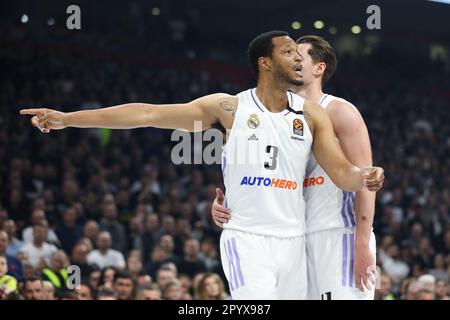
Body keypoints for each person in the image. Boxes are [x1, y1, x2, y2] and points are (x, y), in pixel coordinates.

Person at [20, 31, 384, 299]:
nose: (297, 59)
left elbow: (340, 172)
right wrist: (68, 118)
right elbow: (146, 113)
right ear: (266, 62)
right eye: (289, 51)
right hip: (249, 238)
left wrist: (364, 176)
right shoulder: (228, 108)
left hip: (296, 241)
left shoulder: (312, 114)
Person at [211, 35, 379, 299]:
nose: (295, 59)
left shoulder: (339, 111)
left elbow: (364, 179)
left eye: (300, 55)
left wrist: (361, 242)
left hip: (337, 233)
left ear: (319, 68)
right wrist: (228, 203)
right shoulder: (281, 113)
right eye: (289, 54)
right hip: (296, 238)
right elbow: (262, 173)